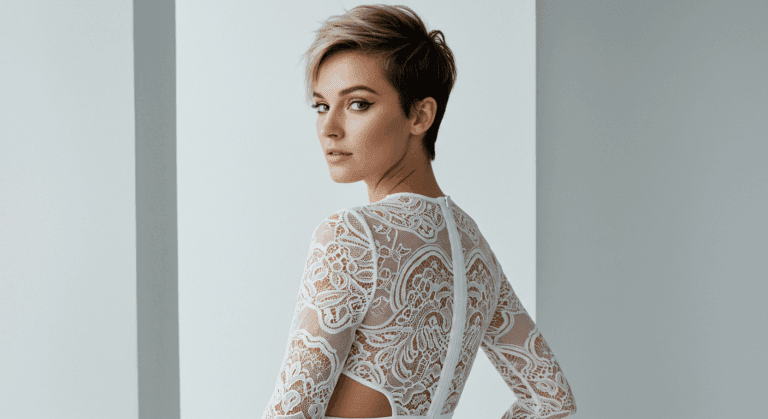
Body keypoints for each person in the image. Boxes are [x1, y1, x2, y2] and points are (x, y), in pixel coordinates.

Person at [261, 5, 577, 419]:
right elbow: (551, 400)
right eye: (321, 105)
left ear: (420, 115)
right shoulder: (472, 247)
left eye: (357, 104)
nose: (329, 127)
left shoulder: (351, 236)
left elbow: (291, 413)